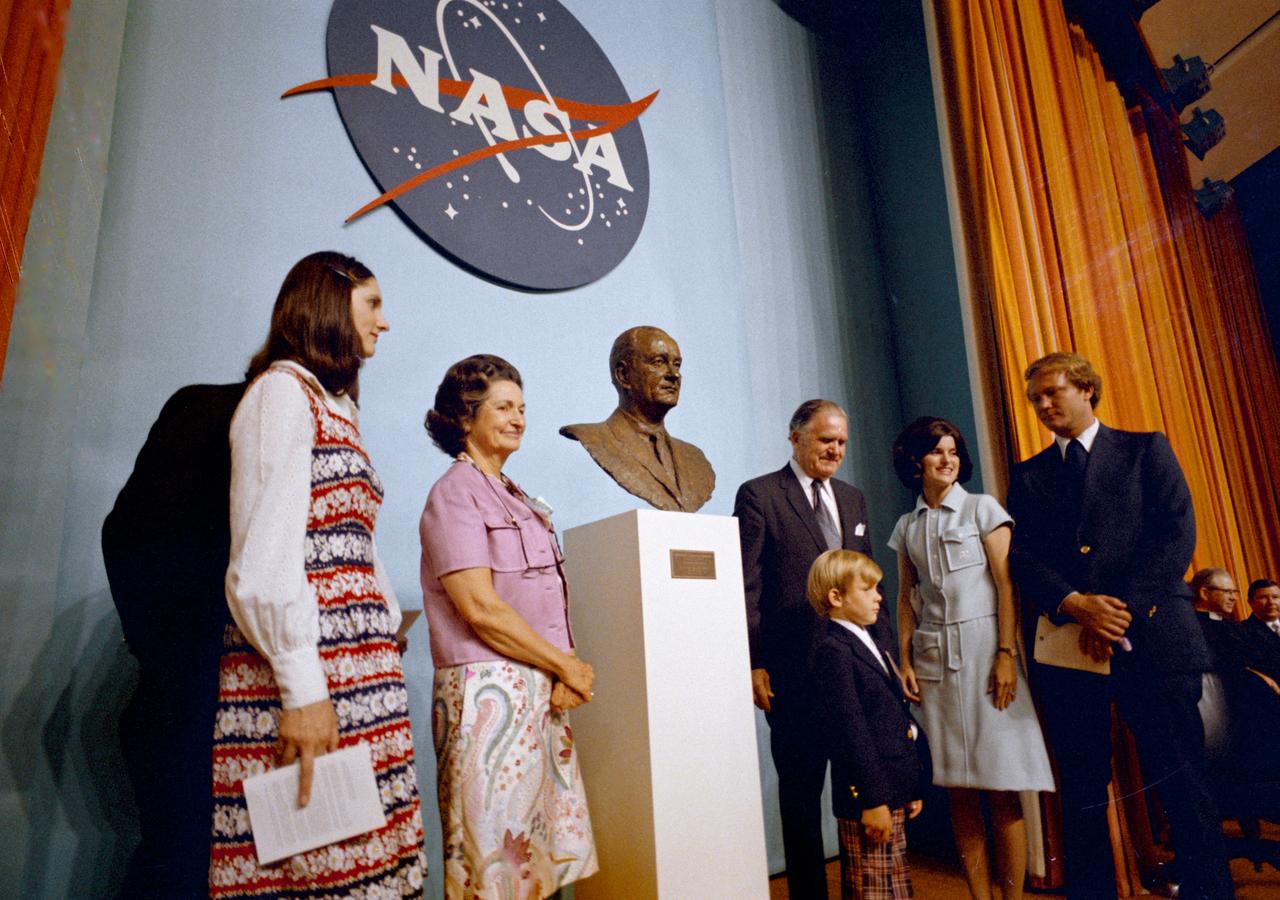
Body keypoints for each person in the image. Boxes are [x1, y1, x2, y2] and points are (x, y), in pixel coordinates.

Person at [210, 252, 427, 896]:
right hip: (312, 671)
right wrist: (303, 688)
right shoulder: (281, 394)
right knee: (316, 860)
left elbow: (352, 542)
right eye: (373, 305)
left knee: (370, 860)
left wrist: (384, 623)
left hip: (360, 673)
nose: (384, 324)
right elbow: (263, 559)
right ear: (331, 306)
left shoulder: (339, 408)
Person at [1006, 351, 1231, 900]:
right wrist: (1077, 604)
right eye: (1034, 398)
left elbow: (1175, 535)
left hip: (1154, 640)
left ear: (1087, 390)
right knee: (1082, 789)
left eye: (1052, 392)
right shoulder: (1028, 475)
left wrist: (1114, 611)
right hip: (1068, 648)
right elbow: (1025, 558)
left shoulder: (1145, 449)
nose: (1041, 405)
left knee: (1180, 780)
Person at [420, 354, 598, 898]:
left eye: (522, 407)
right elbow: (479, 608)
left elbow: (543, 599)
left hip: (535, 692)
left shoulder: (515, 494)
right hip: (487, 701)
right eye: (503, 406)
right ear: (465, 418)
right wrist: (566, 663)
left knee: (536, 866)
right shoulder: (455, 492)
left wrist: (561, 671)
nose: (518, 417)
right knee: (494, 870)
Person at [888, 417, 1053, 900]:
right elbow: (904, 597)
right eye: (937, 452)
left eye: (954, 451)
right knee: (958, 787)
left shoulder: (983, 509)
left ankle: (1013, 898)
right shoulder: (906, 526)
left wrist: (1006, 654)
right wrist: (905, 657)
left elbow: (1006, 587)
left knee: (1002, 786)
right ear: (915, 461)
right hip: (934, 660)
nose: (948, 460)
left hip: (986, 655)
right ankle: (979, 896)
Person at [735, 399, 887, 900]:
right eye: (825, 440)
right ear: (795, 436)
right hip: (792, 673)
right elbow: (747, 586)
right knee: (801, 797)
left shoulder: (853, 497)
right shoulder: (760, 495)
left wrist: (886, 659)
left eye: (841, 441)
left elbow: (869, 589)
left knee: (857, 789)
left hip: (854, 670)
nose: (835, 450)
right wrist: (753, 662)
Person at [103, 380, 245, 897]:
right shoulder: (224, 412)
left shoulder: (213, 407)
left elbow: (124, 531)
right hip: (194, 696)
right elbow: (130, 534)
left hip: (192, 688)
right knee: (184, 862)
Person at [808, 550, 927, 900]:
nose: (879, 597)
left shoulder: (869, 641)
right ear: (836, 596)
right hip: (870, 798)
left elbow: (892, 718)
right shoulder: (834, 650)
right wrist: (873, 800)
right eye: (868, 589)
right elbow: (851, 731)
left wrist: (910, 785)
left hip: (892, 790)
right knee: (871, 889)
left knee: (894, 885)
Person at [560, 325, 715, 511]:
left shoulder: (694, 458)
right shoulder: (595, 438)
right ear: (623, 375)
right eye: (658, 362)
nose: (674, 375)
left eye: (677, 364)